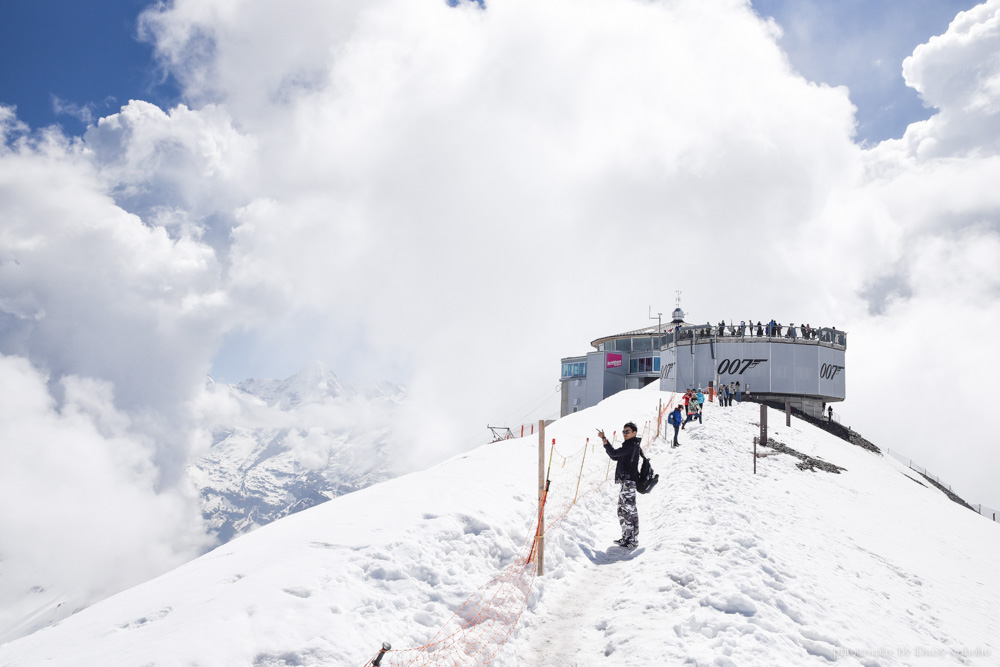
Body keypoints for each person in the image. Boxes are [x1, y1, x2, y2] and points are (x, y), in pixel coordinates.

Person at [599, 422, 641, 549]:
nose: (625, 434)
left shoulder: (631, 445)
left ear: (634, 433)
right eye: (623, 432)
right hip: (626, 482)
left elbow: (614, 454)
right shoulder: (630, 446)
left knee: (629, 510)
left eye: (627, 432)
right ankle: (626, 537)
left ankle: (632, 538)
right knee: (622, 510)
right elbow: (616, 457)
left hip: (629, 482)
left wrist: (604, 440)